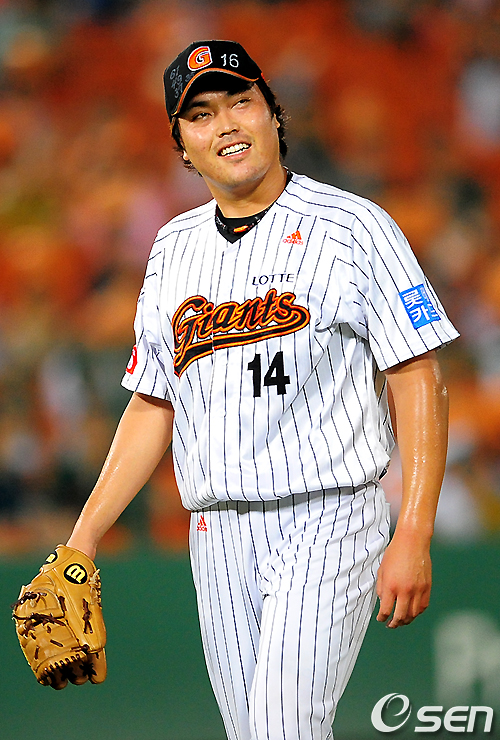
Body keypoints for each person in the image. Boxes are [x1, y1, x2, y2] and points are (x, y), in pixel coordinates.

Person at [66, 40, 459, 740]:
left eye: (240, 101)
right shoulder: (172, 248)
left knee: (283, 726)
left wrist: (414, 530)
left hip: (329, 514)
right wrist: (82, 539)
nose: (225, 124)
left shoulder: (353, 226)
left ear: (274, 113)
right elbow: (153, 400)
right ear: (182, 145)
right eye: (200, 115)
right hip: (215, 534)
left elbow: (417, 374)